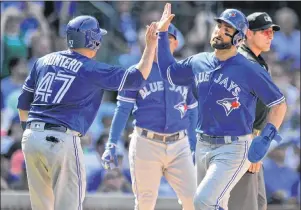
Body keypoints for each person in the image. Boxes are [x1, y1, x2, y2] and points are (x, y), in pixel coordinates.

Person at [17, 15, 158, 210]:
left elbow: (23, 103)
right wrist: (151, 46)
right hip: (60, 139)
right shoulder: (90, 68)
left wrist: (31, 132)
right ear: (93, 40)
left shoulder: (43, 61)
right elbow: (136, 78)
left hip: (31, 137)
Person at [156, 3, 287, 210]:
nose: (219, 32)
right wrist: (162, 34)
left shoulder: (249, 69)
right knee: (216, 204)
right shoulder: (199, 61)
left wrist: (265, 137)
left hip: (233, 147)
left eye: (227, 30)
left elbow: (278, 104)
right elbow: (168, 72)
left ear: (238, 38)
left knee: (202, 202)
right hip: (203, 144)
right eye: (219, 27)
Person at [101, 24, 198, 210]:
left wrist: (193, 144)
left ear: (175, 43)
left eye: (166, 38)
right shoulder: (136, 72)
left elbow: (193, 110)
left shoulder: (185, 72)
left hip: (180, 144)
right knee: (145, 203)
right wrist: (112, 143)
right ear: (149, 40)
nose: (161, 42)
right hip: (147, 143)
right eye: (157, 37)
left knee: (193, 200)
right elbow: (122, 110)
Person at [228, 12, 281, 210]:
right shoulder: (242, 61)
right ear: (248, 33)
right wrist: (249, 144)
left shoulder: (255, 61)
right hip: (241, 143)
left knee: (258, 204)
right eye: (265, 32)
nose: (270, 36)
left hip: (253, 142)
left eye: (272, 32)